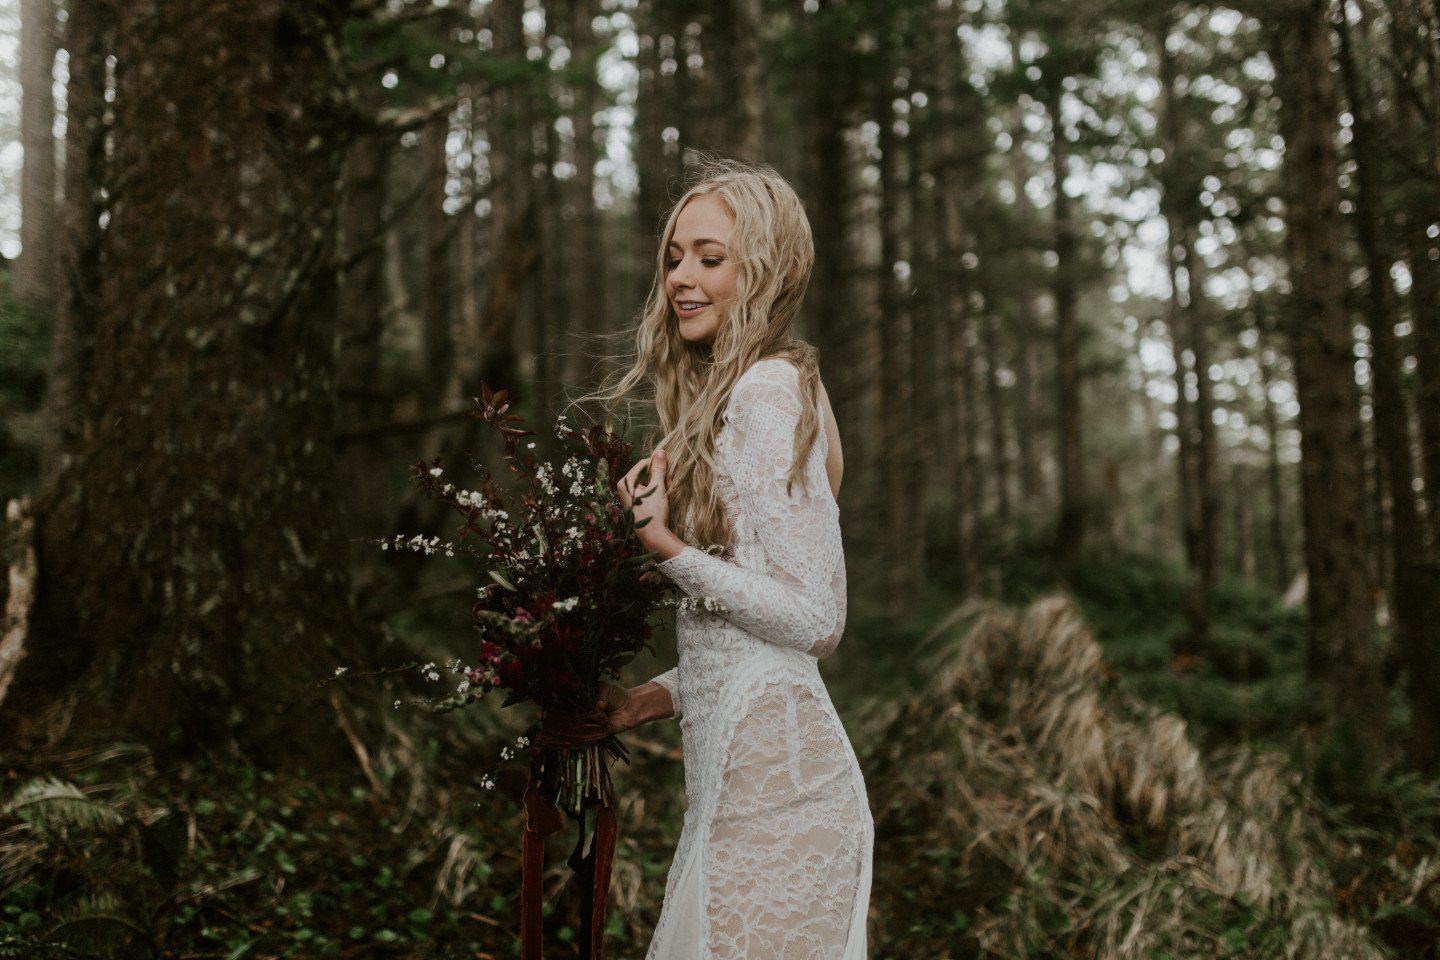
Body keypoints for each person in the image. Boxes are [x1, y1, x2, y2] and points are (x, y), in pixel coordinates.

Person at [597, 160, 873, 960]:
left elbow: (815, 621)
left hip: (783, 792)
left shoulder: (766, 391)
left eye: (709, 258)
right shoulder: (745, 390)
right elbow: (748, 632)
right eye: (675, 257)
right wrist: (647, 699)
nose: (681, 277)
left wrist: (667, 548)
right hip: (738, 784)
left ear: (774, 271)